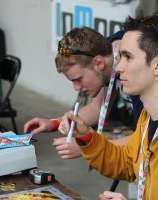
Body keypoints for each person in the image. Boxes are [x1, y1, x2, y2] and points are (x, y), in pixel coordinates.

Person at [59, 13, 158, 200]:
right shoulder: (147, 118)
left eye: (128, 57)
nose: (119, 67)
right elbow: (128, 162)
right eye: (120, 57)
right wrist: (86, 137)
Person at [24, 27, 142, 159]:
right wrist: (54, 123)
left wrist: (89, 146)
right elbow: (97, 109)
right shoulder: (107, 54)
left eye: (78, 79)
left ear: (98, 63)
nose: (76, 87)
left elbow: (146, 138)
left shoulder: (138, 71)